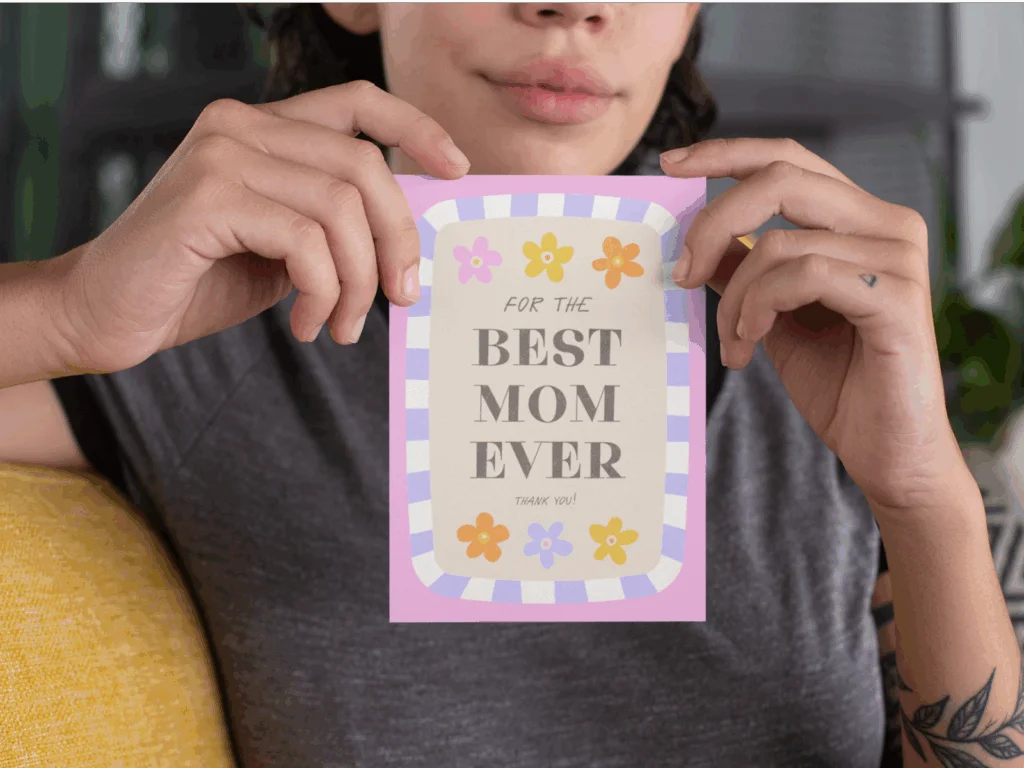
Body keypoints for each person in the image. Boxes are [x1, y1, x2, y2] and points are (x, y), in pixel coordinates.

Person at [0, 4, 1017, 767]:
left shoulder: (837, 358)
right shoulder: (221, 349)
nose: (572, 6)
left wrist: (924, 495)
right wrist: (70, 307)